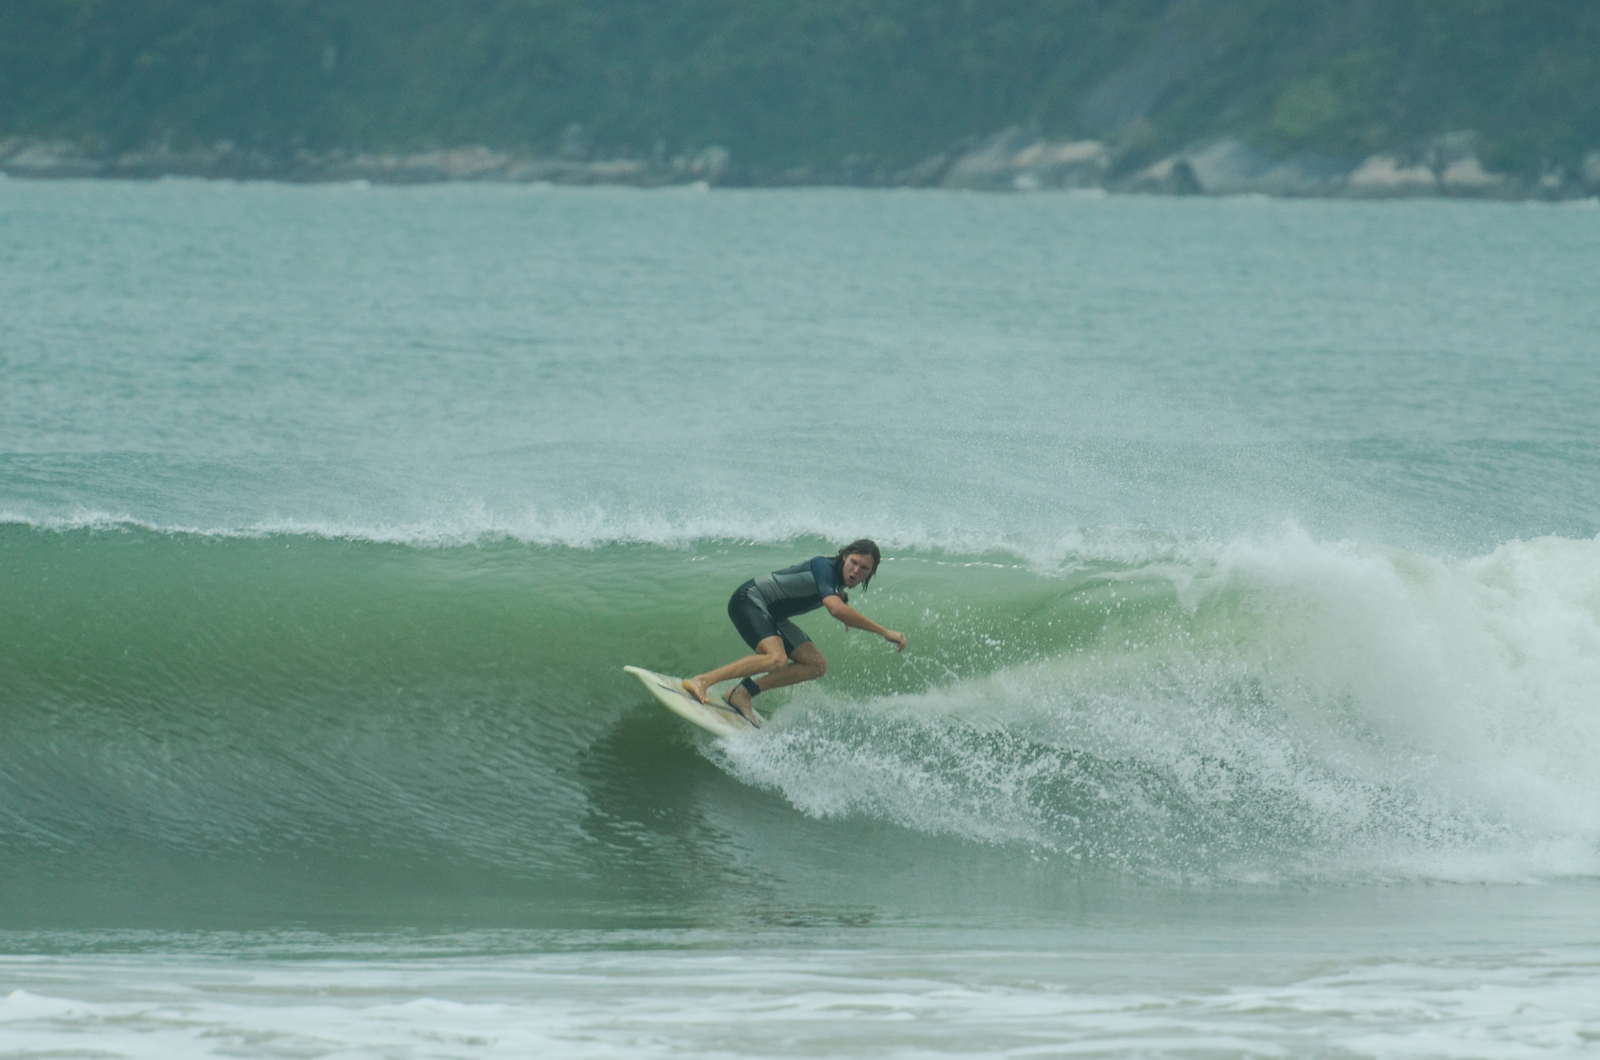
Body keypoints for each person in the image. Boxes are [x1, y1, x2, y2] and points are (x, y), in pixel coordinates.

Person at [682, 539, 907, 726]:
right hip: (749, 600)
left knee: (816, 665)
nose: (856, 570)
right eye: (853, 562)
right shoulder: (824, 567)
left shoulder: (837, 580)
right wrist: (883, 631)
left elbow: (838, 597)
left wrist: (845, 605)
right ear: (845, 557)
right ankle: (702, 681)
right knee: (776, 659)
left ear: (871, 572)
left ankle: (742, 694)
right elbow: (835, 608)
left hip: (773, 615)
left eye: (864, 568)